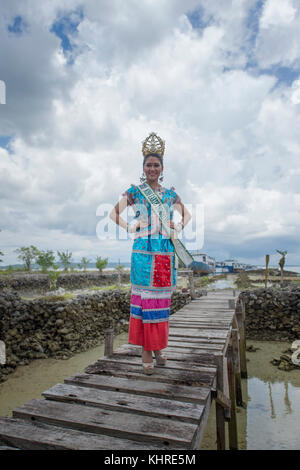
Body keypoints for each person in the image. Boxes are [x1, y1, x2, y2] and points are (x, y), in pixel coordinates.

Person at [109, 132, 191, 374]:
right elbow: (113, 214)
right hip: (143, 254)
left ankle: (157, 349)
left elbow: (187, 215)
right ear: (143, 167)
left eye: (156, 165)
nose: (152, 168)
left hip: (165, 254)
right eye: (148, 165)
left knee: (160, 304)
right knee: (145, 304)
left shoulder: (169, 195)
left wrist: (179, 226)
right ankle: (147, 352)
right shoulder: (135, 192)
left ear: (162, 168)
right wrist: (131, 226)